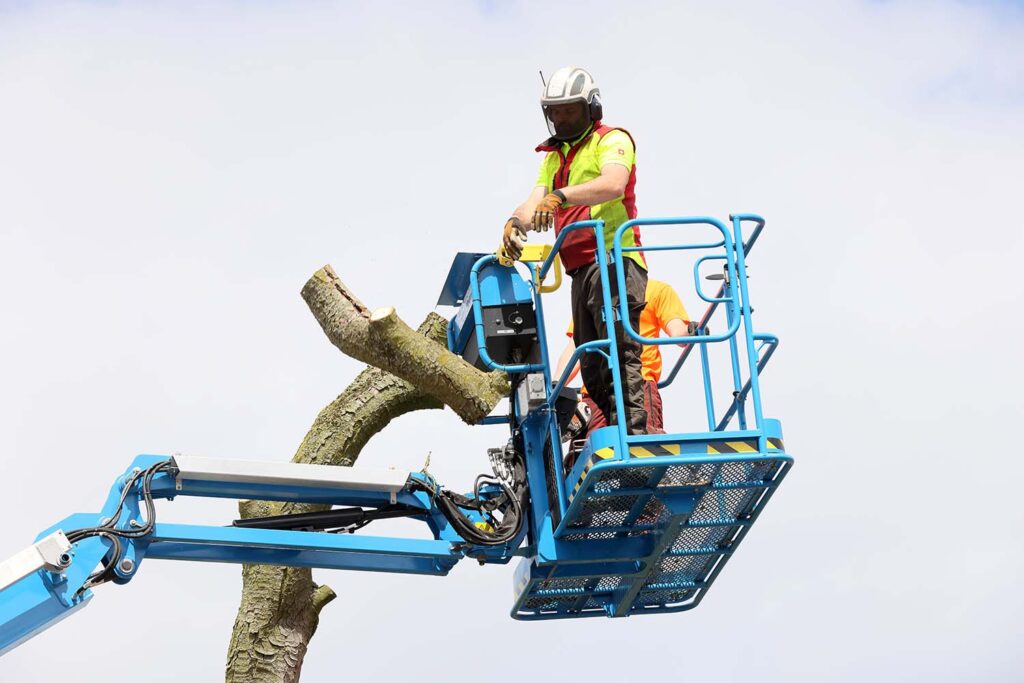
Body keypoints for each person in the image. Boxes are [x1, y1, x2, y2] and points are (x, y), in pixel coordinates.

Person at [501, 65, 649, 435]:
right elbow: (534, 202)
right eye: (557, 112)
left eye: (570, 110)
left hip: (614, 258)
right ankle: (618, 431)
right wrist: (515, 223)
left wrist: (561, 196)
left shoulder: (612, 140)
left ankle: (634, 437)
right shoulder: (553, 158)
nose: (563, 119)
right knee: (592, 361)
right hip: (580, 270)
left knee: (618, 348)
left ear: (591, 107)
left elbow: (613, 183)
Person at [555, 279, 691, 468]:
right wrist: (555, 385)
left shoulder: (656, 290)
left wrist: (688, 331)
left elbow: (677, 330)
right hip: (595, 390)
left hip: (638, 383)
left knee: (643, 451)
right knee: (585, 456)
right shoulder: (594, 295)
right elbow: (576, 347)